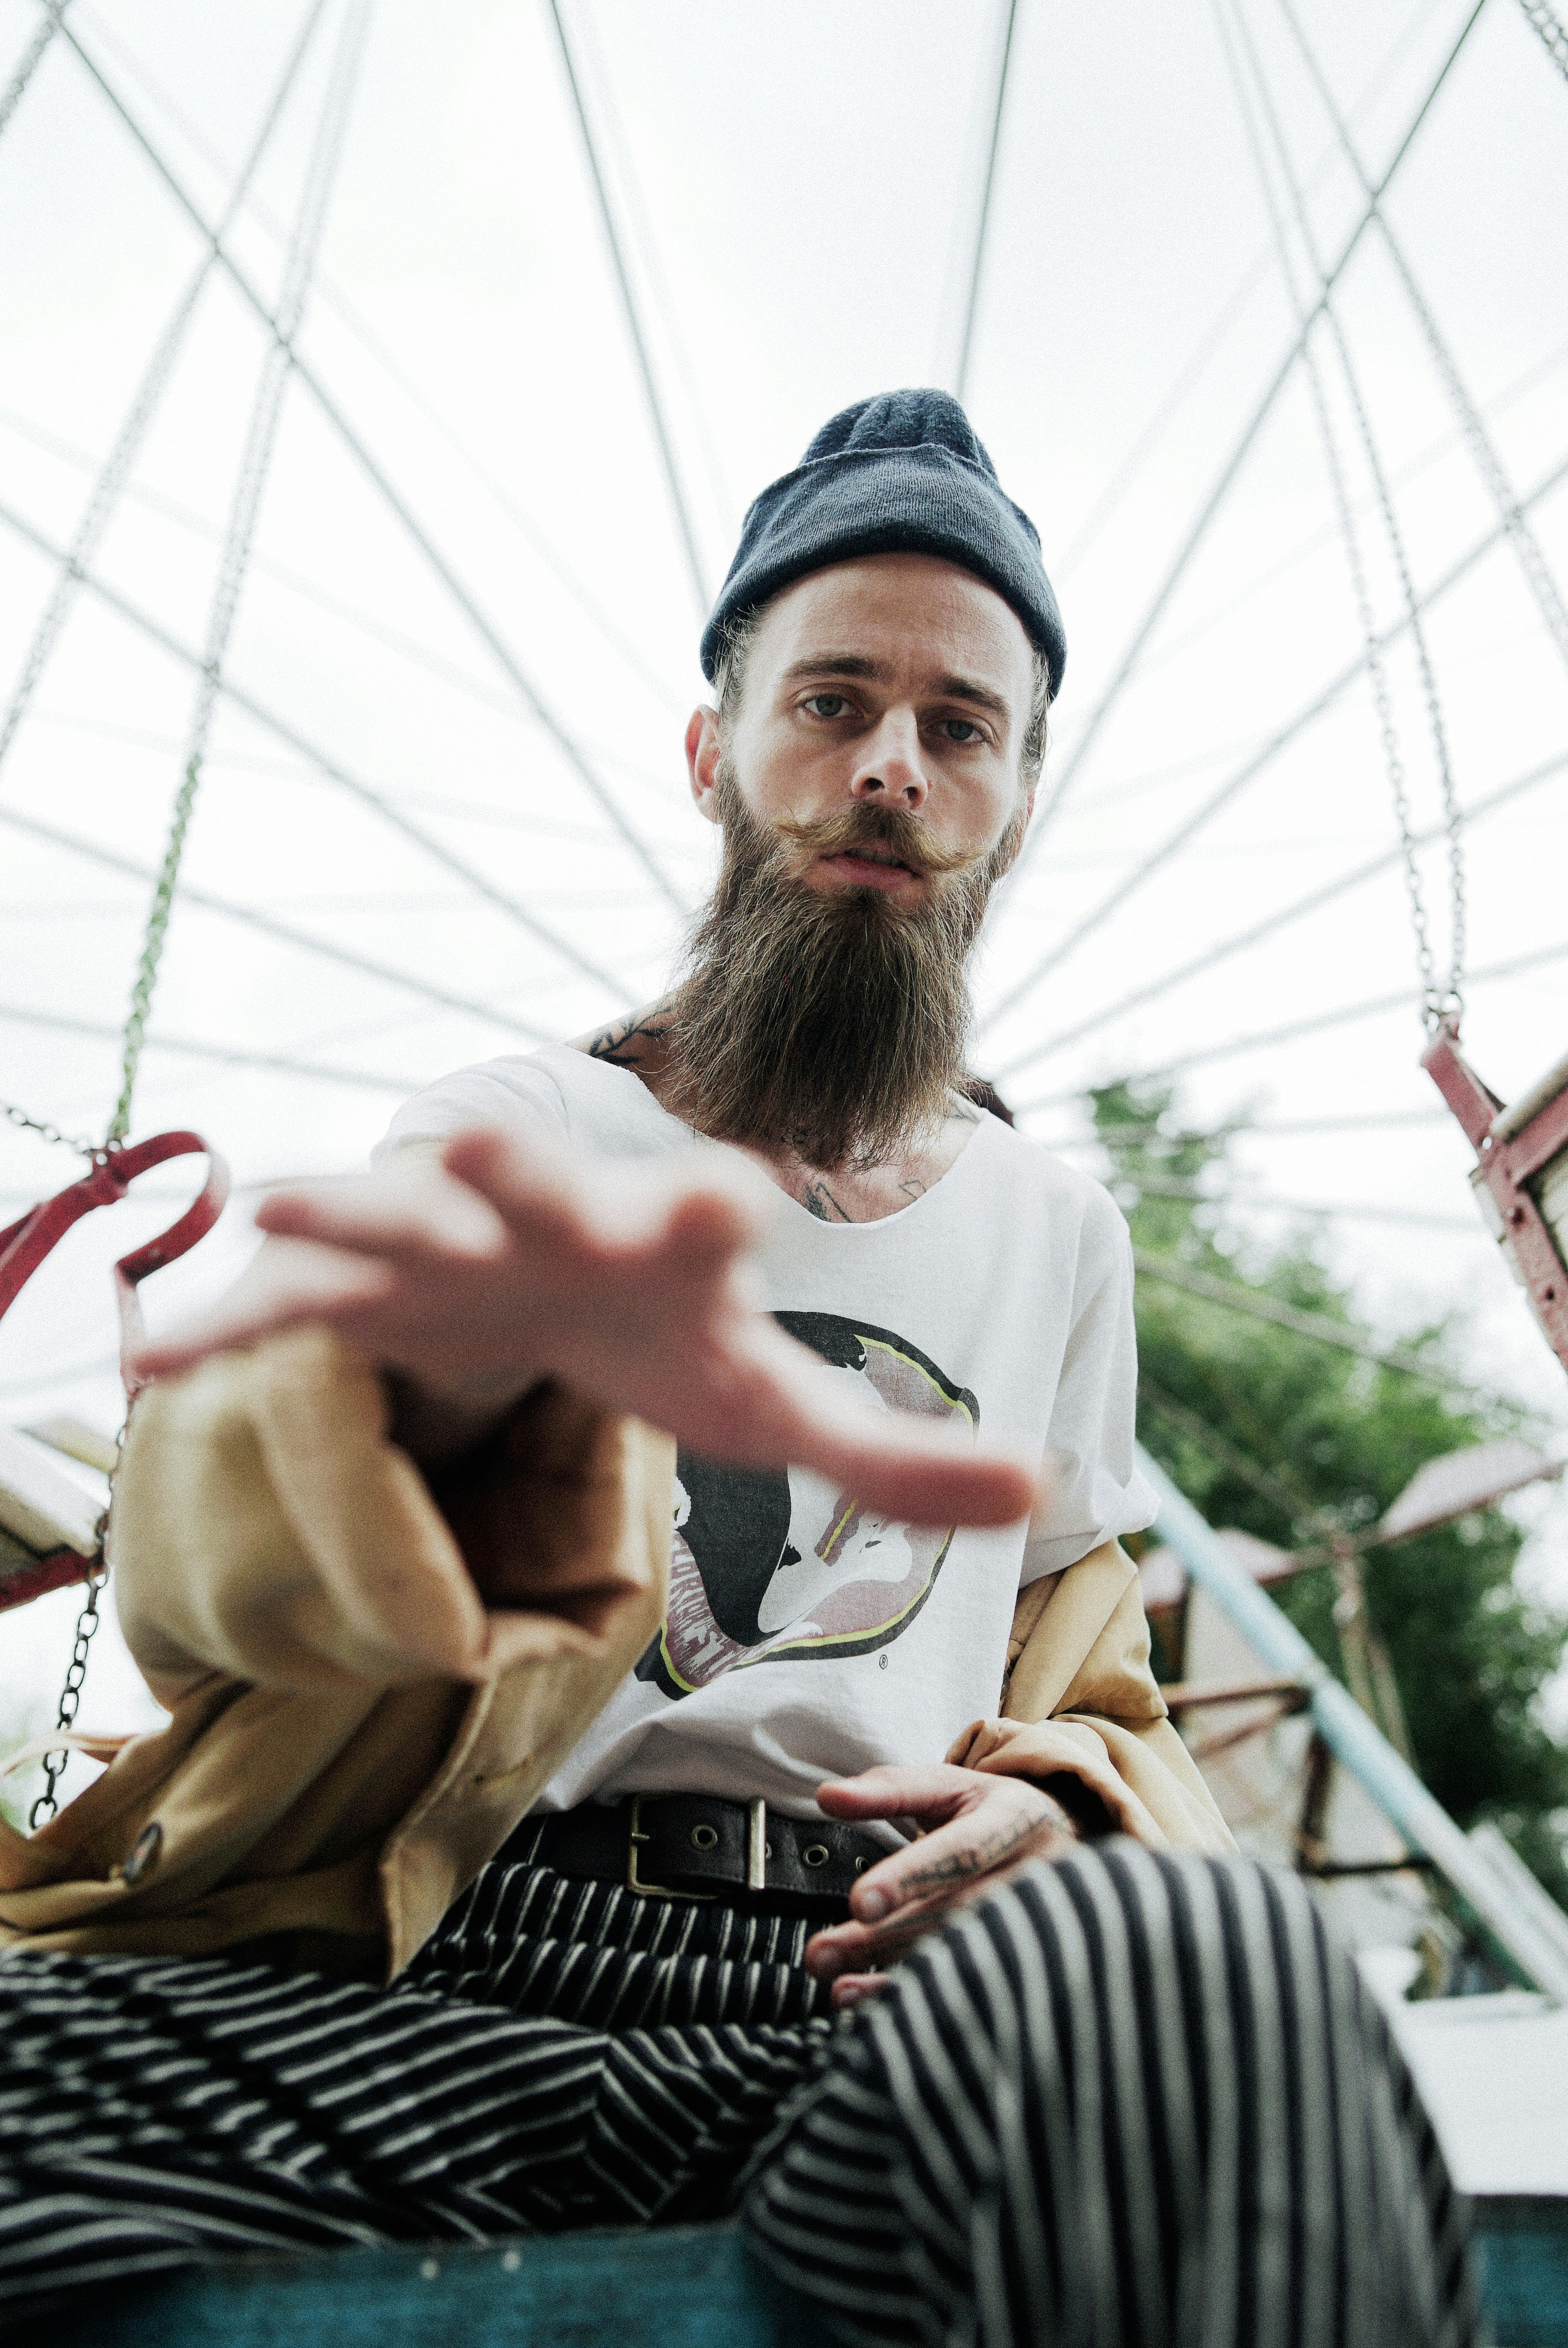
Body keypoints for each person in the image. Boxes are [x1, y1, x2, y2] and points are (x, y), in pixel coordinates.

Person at [0, 393, 1475, 2345]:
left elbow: (1093, 1688)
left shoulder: (1059, 1239)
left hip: (871, 2005)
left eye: (960, 728)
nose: (889, 768)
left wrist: (1074, 1822)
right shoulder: (519, 1133)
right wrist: (431, 1399)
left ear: (1018, 799)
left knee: (1218, 1973)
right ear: (715, 751)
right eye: (831, 703)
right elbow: (237, 1571)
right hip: (461, 1961)